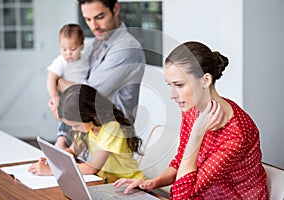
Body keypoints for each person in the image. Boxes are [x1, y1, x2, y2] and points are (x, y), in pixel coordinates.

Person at [114, 41, 268, 199]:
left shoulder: (236, 135)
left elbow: (181, 195)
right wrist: (152, 183)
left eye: (179, 85)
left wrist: (197, 133)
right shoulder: (192, 109)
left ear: (205, 80)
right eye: (170, 85)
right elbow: (182, 160)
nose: (172, 95)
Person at [53, 0, 145, 149]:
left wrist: (57, 82)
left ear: (115, 8)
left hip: (111, 144)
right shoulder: (94, 45)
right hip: (85, 140)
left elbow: (84, 95)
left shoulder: (127, 49)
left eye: (100, 17)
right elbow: (73, 86)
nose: (94, 26)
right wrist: (62, 139)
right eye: (88, 19)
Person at [29, 84, 145, 183]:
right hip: (106, 183)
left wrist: (52, 171)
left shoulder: (111, 128)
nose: (74, 129)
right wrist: (53, 160)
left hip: (128, 183)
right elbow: (72, 152)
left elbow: (93, 167)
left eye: (76, 125)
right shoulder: (87, 127)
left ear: (91, 114)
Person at [47, 23, 88, 109]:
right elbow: (51, 78)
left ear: (82, 46)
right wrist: (54, 95)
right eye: (64, 49)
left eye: (73, 49)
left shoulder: (85, 60)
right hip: (65, 99)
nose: (68, 53)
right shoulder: (61, 61)